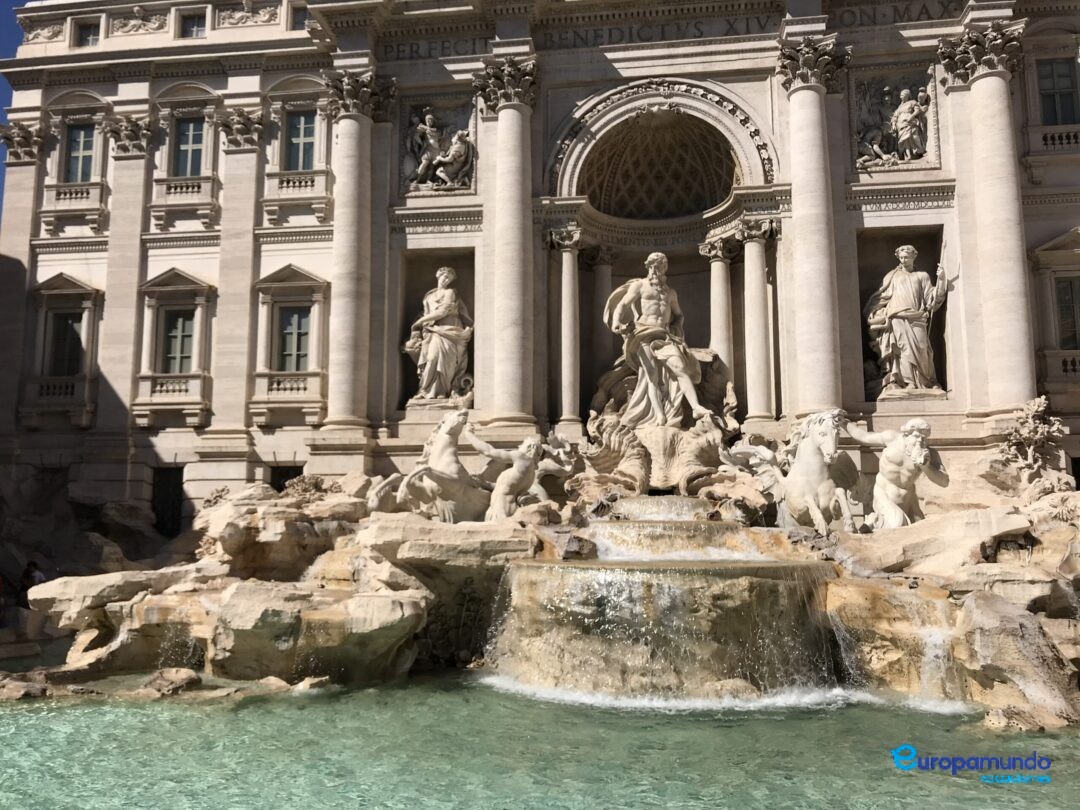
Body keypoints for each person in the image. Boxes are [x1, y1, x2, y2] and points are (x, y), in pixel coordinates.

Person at [605, 252, 713, 428]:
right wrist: (616, 321)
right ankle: (659, 415)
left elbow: (678, 315)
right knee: (651, 376)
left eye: (662, 266)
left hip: (664, 336)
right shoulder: (640, 286)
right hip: (643, 333)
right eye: (655, 266)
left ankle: (696, 407)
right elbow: (623, 304)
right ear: (649, 267)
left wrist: (677, 329)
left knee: (680, 368)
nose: (658, 270)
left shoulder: (670, 293)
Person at [864, 245, 948, 392]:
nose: (903, 260)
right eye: (901, 257)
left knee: (922, 350)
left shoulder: (922, 276)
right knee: (902, 351)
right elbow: (881, 297)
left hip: (917, 318)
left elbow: (931, 299)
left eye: (907, 257)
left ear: (914, 256)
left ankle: (925, 382)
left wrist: (941, 280)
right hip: (896, 317)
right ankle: (908, 383)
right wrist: (874, 313)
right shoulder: (892, 276)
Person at [845, 418, 949, 529]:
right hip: (883, 492)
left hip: (908, 499)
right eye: (916, 436)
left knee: (920, 529)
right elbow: (863, 436)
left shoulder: (929, 454)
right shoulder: (892, 438)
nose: (920, 441)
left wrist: (926, 467)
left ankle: (874, 519)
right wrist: (843, 422)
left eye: (923, 438)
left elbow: (944, 482)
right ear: (906, 435)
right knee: (897, 523)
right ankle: (874, 519)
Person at [403, 267, 473, 401]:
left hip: (450, 330)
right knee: (431, 358)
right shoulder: (429, 296)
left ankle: (442, 391)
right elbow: (427, 313)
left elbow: (442, 312)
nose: (446, 280)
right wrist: (420, 325)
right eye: (444, 276)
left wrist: (419, 322)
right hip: (433, 330)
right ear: (438, 276)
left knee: (446, 362)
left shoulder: (450, 292)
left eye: (449, 278)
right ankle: (425, 390)